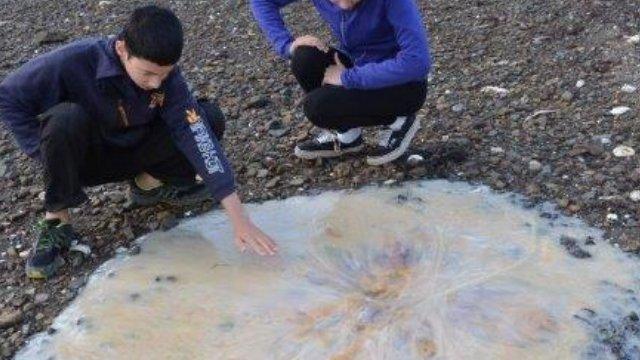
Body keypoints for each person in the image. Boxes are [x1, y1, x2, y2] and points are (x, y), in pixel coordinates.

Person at [0, 5, 277, 279]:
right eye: (147, 73)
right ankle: (57, 222)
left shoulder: (168, 81)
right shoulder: (72, 61)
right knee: (64, 119)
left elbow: (197, 136)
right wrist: (44, 154)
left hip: (135, 151)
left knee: (206, 119)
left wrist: (239, 219)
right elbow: (9, 97)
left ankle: (149, 185)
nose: (157, 83)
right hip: (87, 159)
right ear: (122, 49)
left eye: (164, 74)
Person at [251, 0, 431, 165]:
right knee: (304, 55)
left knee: (317, 107)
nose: (344, 5)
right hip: (357, 67)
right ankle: (348, 136)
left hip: (404, 85)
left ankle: (400, 119)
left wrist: (349, 77)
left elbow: (417, 62)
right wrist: (286, 45)